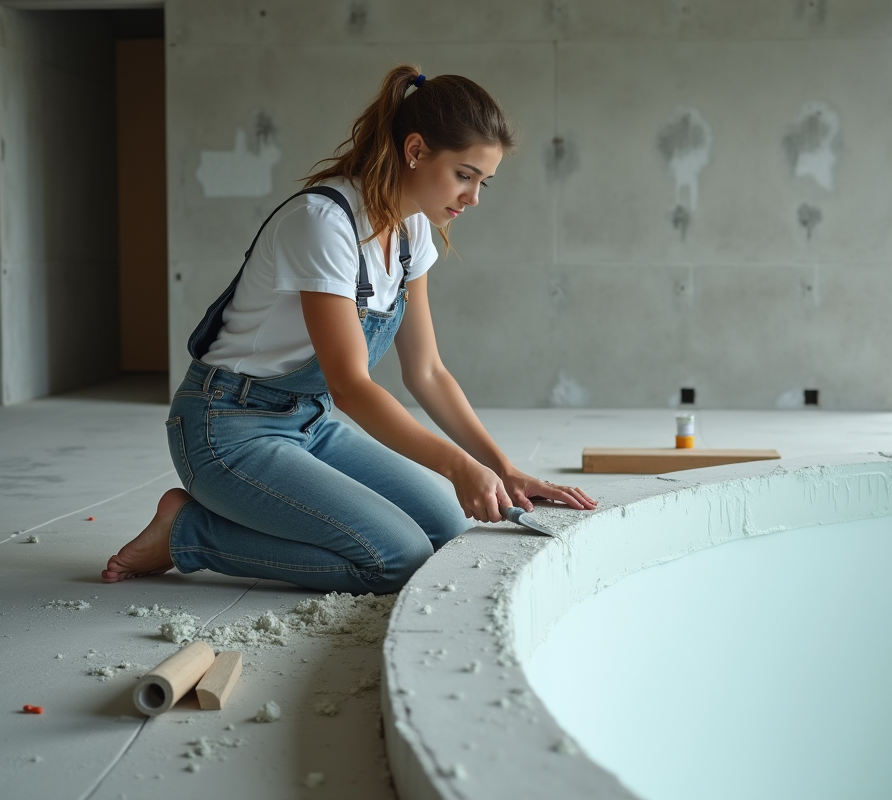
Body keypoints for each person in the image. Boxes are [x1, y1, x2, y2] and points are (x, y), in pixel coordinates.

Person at [103, 64, 597, 593]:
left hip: (309, 423)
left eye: (483, 182)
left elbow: (427, 372)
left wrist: (502, 468)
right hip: (226, 428)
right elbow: (351, 384)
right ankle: (186, 532)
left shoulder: (412, 232)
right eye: (465, 174)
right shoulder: (324, 222)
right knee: (397, 558)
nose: (473, 197)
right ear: (415, 150)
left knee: (446, 530)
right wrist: (458, 468)